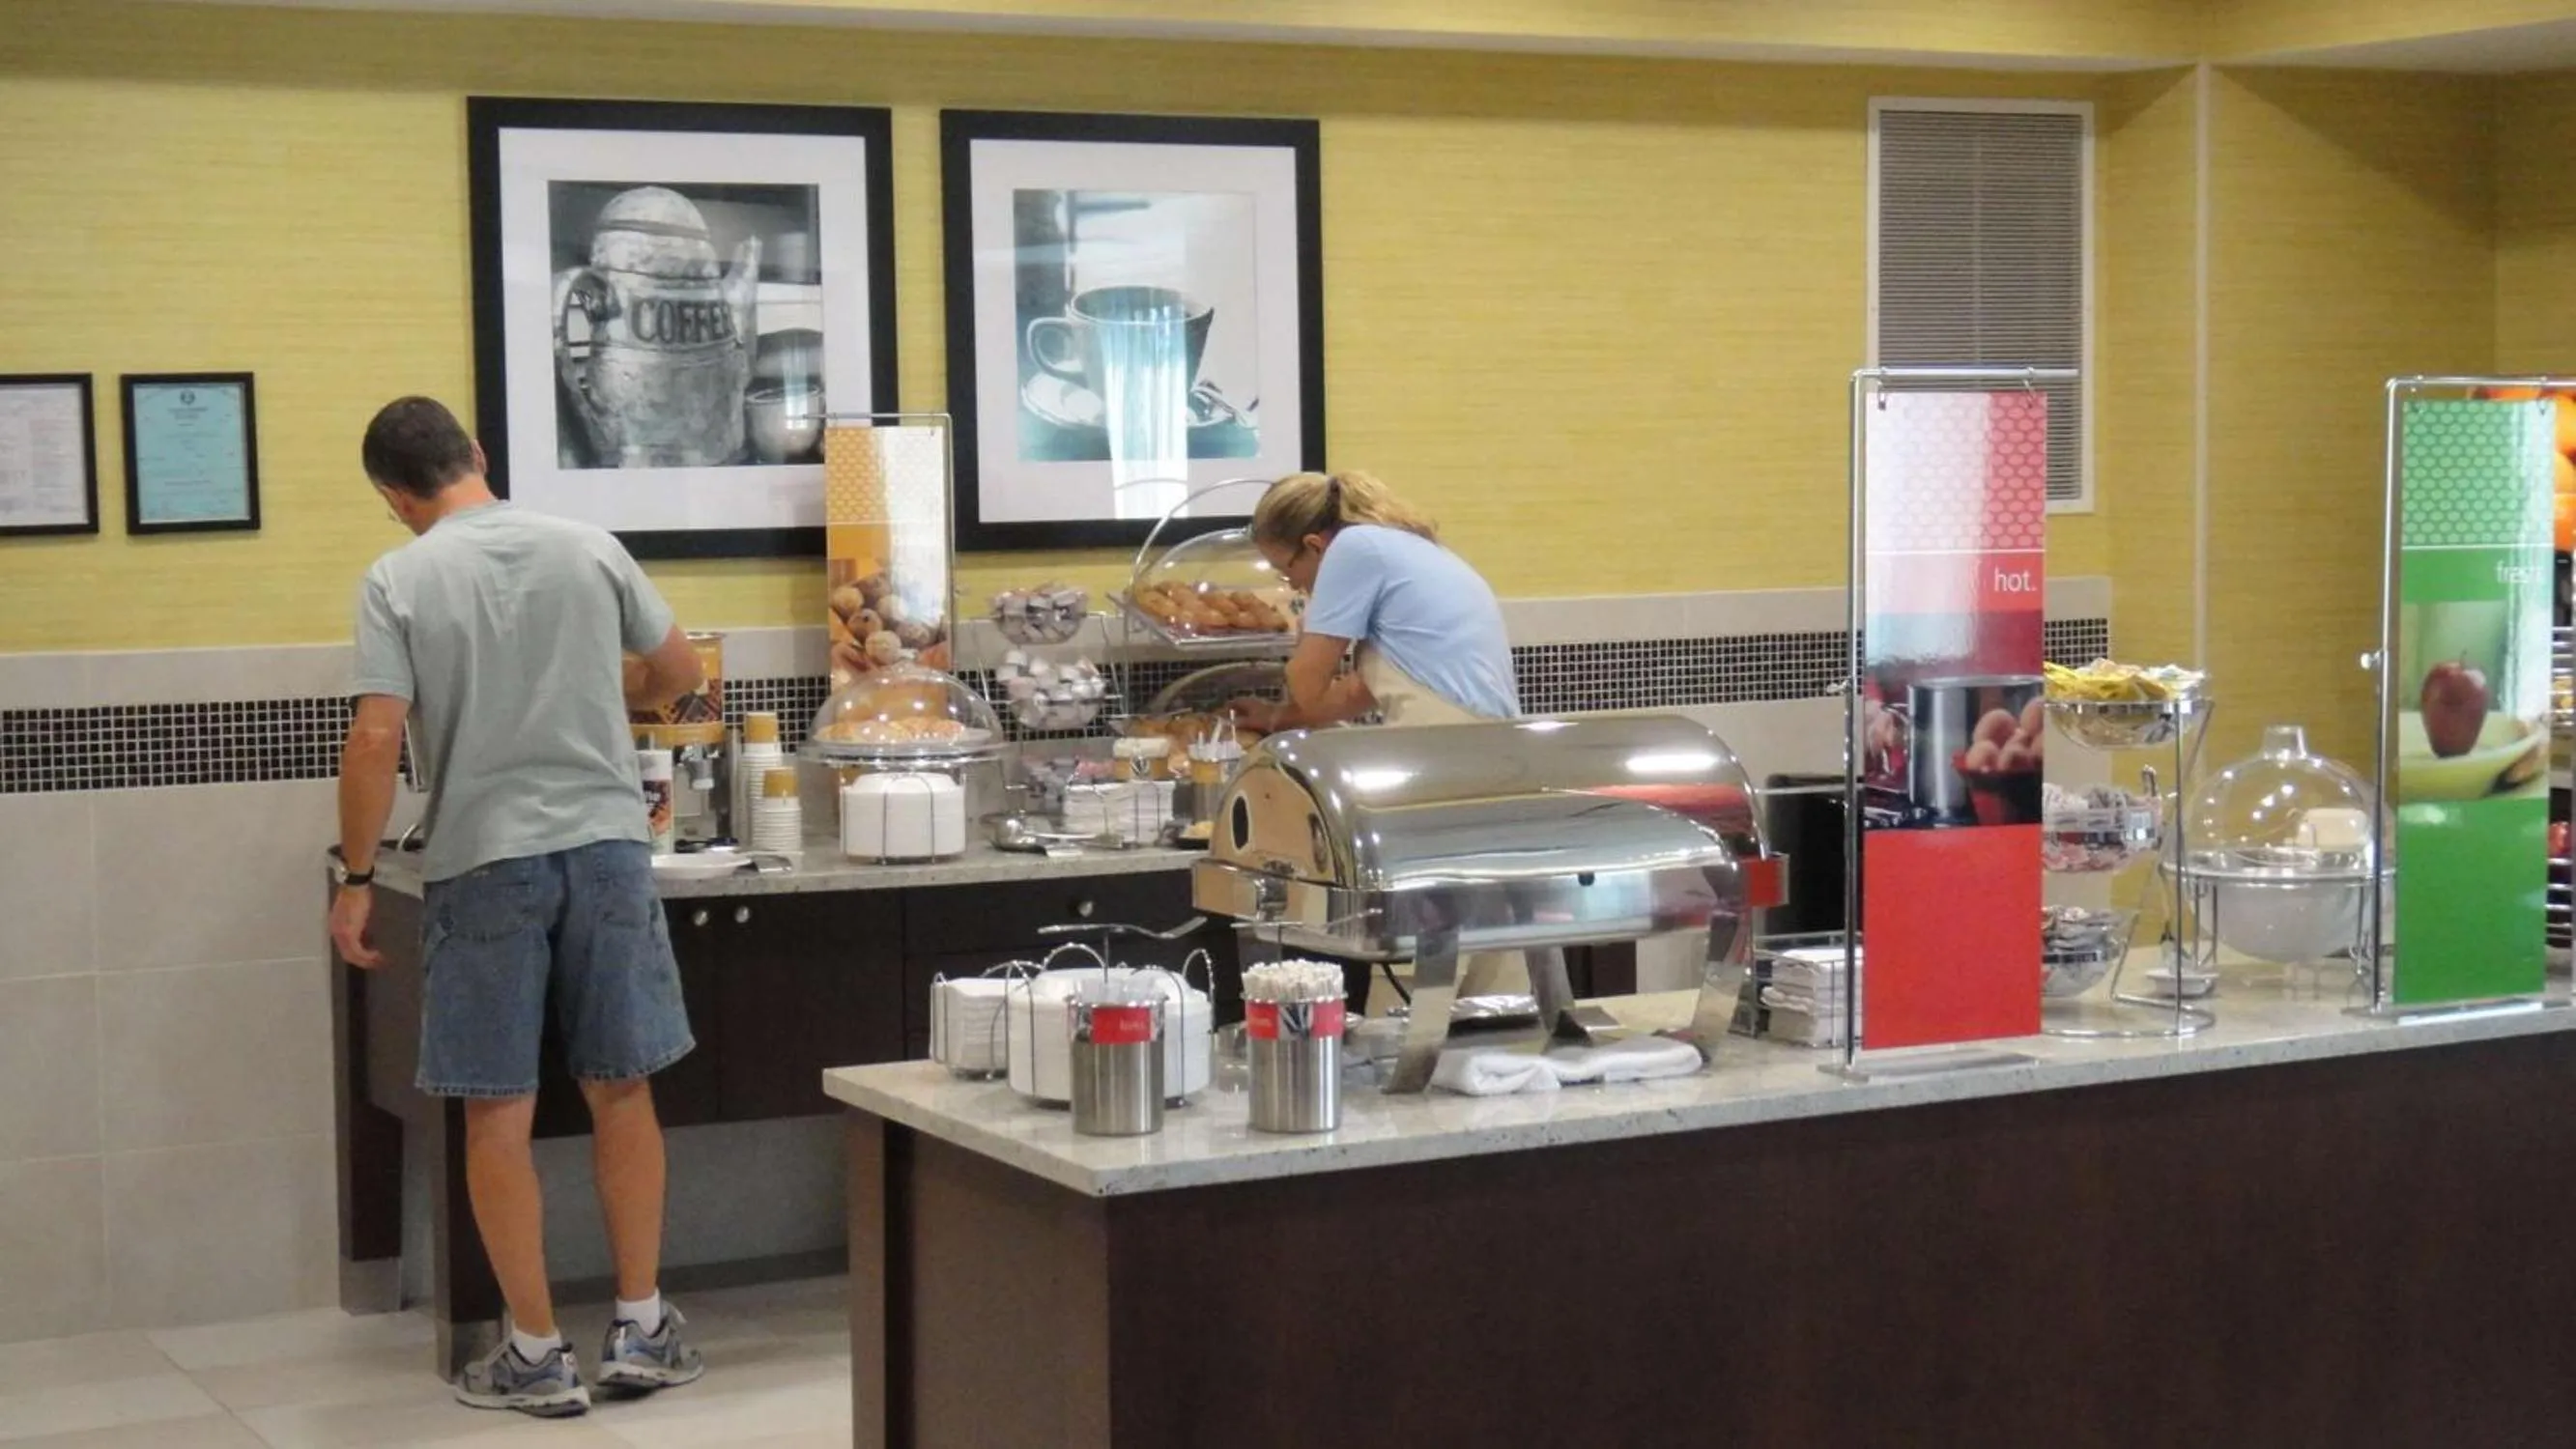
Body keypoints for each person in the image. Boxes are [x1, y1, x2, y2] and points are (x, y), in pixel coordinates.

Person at [329, 396, 707, 1419]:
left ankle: (536, 1354)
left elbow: (375, 738)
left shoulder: (399, 577)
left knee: (498, 1106)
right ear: (478, 455)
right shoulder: (588, 547)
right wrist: (592, 695)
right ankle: (642, 1326)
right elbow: (679, 675)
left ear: (394, 495)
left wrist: (356, 879)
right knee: (620, 1086)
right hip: (608, 848)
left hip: (485, 858)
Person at [1230, 470, 1520, 733]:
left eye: (1286, 570)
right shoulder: (1407, 546)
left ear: (1314, 546)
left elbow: (1306, 684)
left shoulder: (1352, 547)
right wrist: (1277, 718)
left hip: (1445, 738)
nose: (1293, 585)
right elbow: (1356, 694)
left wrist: (1307, 642)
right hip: (1490, 734)